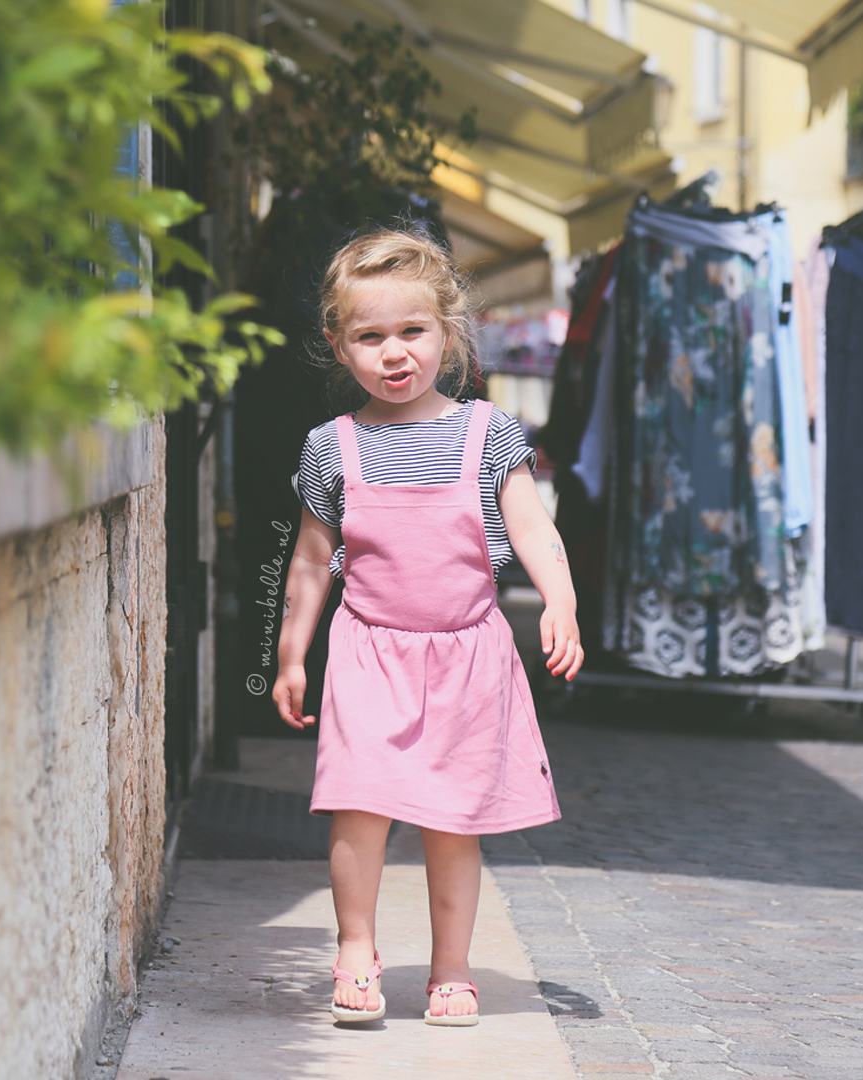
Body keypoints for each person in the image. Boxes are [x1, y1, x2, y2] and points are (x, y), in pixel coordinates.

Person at [272, 228, 584, 1028]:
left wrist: (560, 598)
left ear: (448, 334)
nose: (394, 352)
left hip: (468, 658)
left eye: (412, 331)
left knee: (454, 822)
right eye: (370, 336)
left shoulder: (490, 434)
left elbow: (532, 527)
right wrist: (291, 655)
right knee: (359, 805)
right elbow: (312, 563)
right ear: (339, 348)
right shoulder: (331, 448)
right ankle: (355, 950)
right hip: (369, 652)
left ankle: (451, 968)